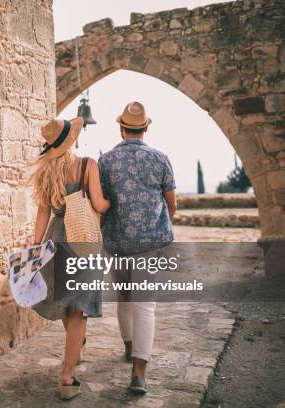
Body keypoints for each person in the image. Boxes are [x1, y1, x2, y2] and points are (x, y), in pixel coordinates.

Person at [98, 101, 177, 394]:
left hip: (116, 241)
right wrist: (160, 224)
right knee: (145, 305)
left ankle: (129, 348)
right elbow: (171, 203)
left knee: (123, 297)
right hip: (150, 243)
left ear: (121, 128)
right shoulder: (160, 158)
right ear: (146, 127)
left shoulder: (105, 161)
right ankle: (139, 373)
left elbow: (101, 203)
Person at [30, 117, 110, 400]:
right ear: (71, 140)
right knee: (79, 309)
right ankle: (67, 376)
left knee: (66, 302)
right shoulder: (88, 164)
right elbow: (99, 204)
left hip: (55, 240)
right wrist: (111, 203)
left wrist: (36, 247)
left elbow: (43, 213)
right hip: (83, 240)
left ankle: (74, 353)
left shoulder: (45, 171)